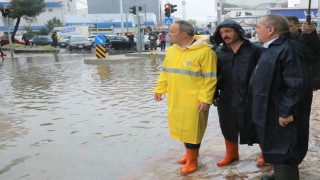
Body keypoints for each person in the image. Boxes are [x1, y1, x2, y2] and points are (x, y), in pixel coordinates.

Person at [250, 14, 311, 180]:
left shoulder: (289, 48)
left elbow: (297, 83)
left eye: (258, 27)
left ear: (270, 30)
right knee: (274, 145)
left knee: (285, 148)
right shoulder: (273, 47)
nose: (256, 31)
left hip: (282, 112)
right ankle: (278, 175)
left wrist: (286, 110)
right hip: (271, 109)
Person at [153, 20, 217, 175]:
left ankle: (192, 160)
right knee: (181, 128)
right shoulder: (172, 50)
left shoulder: (205, 52)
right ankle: (189, 154)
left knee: (192, 129)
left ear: (183, 34)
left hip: (194, 99)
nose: (169, 34)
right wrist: (160, 89)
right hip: (176, 96)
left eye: (172, 32)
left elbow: (210, 78)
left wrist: (205, 99)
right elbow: (165, 71)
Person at [212, 19, 264, 167]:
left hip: (251, 95)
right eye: (222, 32)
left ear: (238, 31)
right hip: (227, 96)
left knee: (256, 125)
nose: (225, 35)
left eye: (228, 31)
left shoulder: (255, 50)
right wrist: (214, 94)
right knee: (227, 125)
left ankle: (265, 153)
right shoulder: (219, 52)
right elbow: (214, 75)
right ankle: (232, 154)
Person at [286, 16, 320, 90]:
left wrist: (310, 33)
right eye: (285, 27)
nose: (288, 29)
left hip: (304, 82)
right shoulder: (281, 41)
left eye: (290, 26)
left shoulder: (305, 38)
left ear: (297, 25)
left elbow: (314, 48)